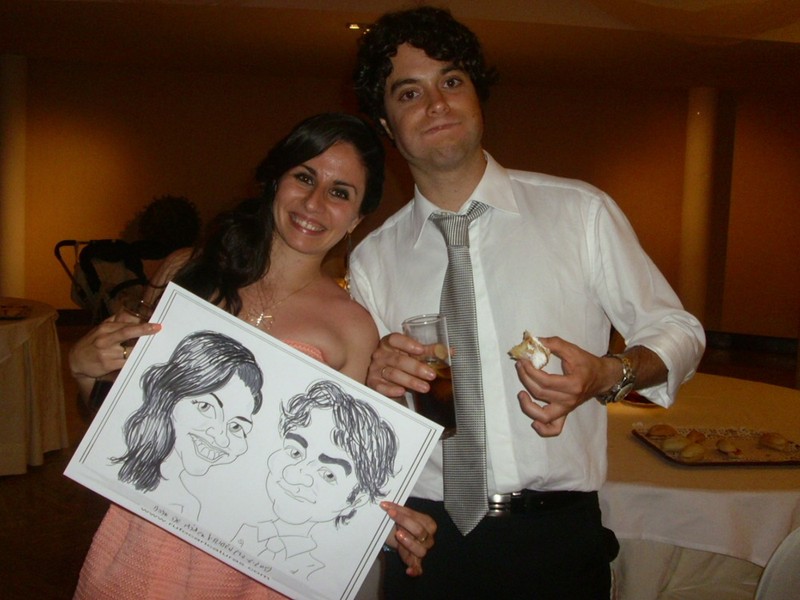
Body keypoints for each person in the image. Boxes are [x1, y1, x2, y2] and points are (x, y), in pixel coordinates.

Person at [349, 6, 706, 599]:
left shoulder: (580, 213)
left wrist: (609, 374)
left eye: (451, 81)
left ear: (478, 97)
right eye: (409, 92)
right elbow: (365, 423)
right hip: (427, 543)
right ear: (387, 124)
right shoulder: (372, 259)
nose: (436, 104)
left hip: (555, 539)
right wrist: (374, 380)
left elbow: (679, 330)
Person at [69, 112, 436, 599]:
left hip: (253, 570)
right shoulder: (188, 271)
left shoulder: (353, 328)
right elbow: (127, 421)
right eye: (304, 177)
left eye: (339, 192)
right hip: (144, 544)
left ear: (356, 217)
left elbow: (333, 463)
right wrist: (83, 370)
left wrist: (381, 526)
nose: (314, 203)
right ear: (275, 181)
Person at [234, 380, 397, 580]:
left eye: (328, 474)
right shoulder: (235, 524)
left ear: (357, 499)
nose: (295, 475)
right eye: (294, 452)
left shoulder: (316, 574)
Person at [114, 330, 264, 519]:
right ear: (169, 395)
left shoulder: (189, 508)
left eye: (235, 426)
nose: (221, 437)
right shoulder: (115, 461)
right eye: (205, 406)